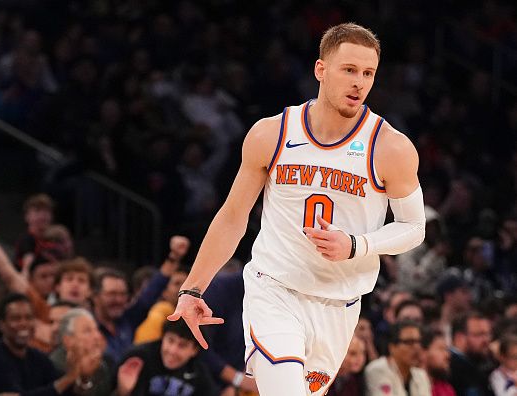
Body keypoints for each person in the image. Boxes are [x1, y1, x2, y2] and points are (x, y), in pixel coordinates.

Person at [169, 22, 426, 395]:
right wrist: (192, 290)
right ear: (321, 70)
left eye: (368, 73)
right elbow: (233, 216)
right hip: (275, 290)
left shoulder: (391, 147)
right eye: (349, 70)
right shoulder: (272, 133)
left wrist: (356, 245)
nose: (359, 82)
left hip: (339, 304)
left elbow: (414, 227)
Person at [0, 293, 87, 395]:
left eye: (28, 318)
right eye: (16, 319)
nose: (23, 323)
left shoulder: (37, 357)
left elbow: (65, 391)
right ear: (2, 325)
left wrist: (83, 377)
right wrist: (69, 378)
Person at [117, 318, 219, 396]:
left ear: (195, 350)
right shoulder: (138, 358)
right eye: (170, 340)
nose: (172, 351)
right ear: (163, 337)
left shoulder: (199, 373)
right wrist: (122, 391)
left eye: (182, 345)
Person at [364, 320, 431, 395]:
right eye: (409, 342)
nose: (416, 347)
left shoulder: (421, 375)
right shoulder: (377, 370)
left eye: (418, 342)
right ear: (392, 347)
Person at [421, 329, 456, 396]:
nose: (447, 355)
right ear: (423, 353)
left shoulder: (447, 389)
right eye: (441, 349)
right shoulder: (410, 386)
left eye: (446, 350)